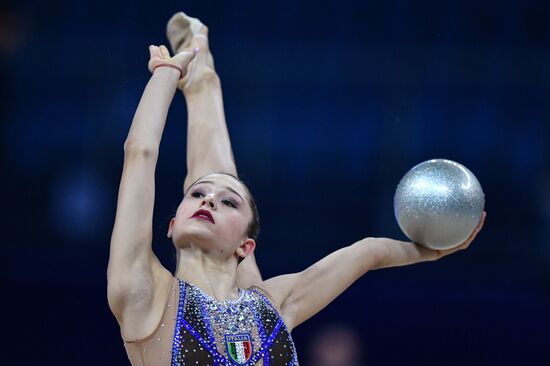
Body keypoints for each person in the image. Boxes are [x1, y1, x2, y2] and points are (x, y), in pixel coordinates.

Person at [107, 12, 486, 366]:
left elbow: (368, 251)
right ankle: (201, 78)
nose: (207, 199)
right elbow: (139, 154)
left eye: (226, 204)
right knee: (222, 178)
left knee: (223, 181)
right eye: (196, 195)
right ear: (171, 225)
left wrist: (432, 252)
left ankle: (204, 80)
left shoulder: (269, 306)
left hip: (246, 280)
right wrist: (165, 76)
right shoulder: (145, 293)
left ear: (246, 245)